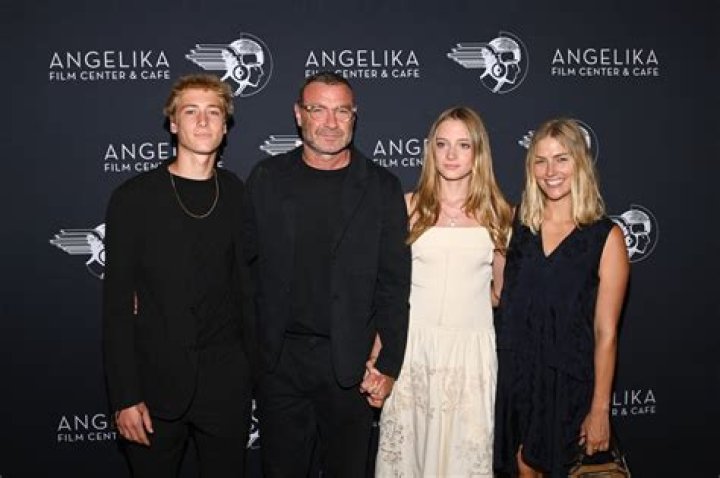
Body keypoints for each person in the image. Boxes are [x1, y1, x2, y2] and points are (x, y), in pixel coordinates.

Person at [243, 71, 411, 477]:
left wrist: (388, 363)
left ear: (354, 116)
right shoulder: (266, 179)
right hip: (279, 364)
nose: (331, 122)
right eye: (318, 109)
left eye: (342, 111)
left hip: (350, 366)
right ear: (299, 114)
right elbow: (241, 268)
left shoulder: (381, 187)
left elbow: (394, 285)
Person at [103, 74, 253, 477]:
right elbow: (117, 307)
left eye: (213, 112)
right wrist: (125, 396)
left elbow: (251, 289)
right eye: (191, 112)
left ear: (225, 126)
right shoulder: (133, 199)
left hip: (226, 388)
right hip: (154, 388)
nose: (202, 121)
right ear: (173, 123)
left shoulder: (239, 194)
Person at [373, 106, 513, 477]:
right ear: (430, 150)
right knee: (410, 457)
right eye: (442, 144)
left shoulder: (499, 214)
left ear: (478, 152)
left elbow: (500, 292)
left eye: (463, 145)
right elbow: (388, 289)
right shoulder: (407, 207)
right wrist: (378, 350)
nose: (451, 154)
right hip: (413, 349)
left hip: (470, 356)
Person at [493, 118, 630, 477]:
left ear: (580, 163)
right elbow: (498, 297)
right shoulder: (515, 226)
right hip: (513, 381)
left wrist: (599, 409)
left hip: (567, 386)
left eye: (561, 159)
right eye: (540, 161)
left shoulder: (606, 237)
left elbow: (606, 333)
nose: (550, 171)